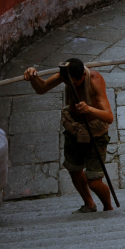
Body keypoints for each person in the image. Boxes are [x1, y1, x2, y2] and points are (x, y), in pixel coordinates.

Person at [24, 58, 115, 213]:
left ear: (83, 77)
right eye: (67, 83)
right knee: (74, 169)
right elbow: (41, 88)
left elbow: (109, 117)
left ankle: (108, 208)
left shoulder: (95, 80)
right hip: (74, 128)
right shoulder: (65, 74)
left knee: (94, 181)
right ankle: (89, 204)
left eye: (76, 84)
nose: (71, 87)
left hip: (95, 133)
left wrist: (89, 110)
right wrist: (33, 76)